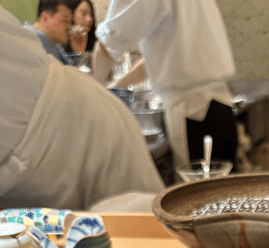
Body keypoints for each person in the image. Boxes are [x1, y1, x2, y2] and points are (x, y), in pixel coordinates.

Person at [0, 7, 164, 211]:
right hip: (70, 125)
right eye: (67, 19)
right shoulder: (45, 43)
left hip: (83, 129)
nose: (73, 25)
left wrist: (107, 83)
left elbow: (109, 44)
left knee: (145, 224)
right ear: (45, 17)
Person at [93, 0, 238, 170]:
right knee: (221, 185)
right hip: (218, 108)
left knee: (200, 185)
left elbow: (109, 43)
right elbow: (165, 58)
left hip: (194, 113)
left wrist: (93, 92)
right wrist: (117, 85)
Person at [24, 0, 87, 65]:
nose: (69, 27)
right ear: (45, 18)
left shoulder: (53, 42)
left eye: (70, 22)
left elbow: (71, 68)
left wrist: (78, 52)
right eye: (65, 21)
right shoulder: (27, 40)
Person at [64, 0, 97, 68]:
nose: (89, 19)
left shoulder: (96, 39)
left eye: (91, 15)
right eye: (84, 14)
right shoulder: (60, 40)